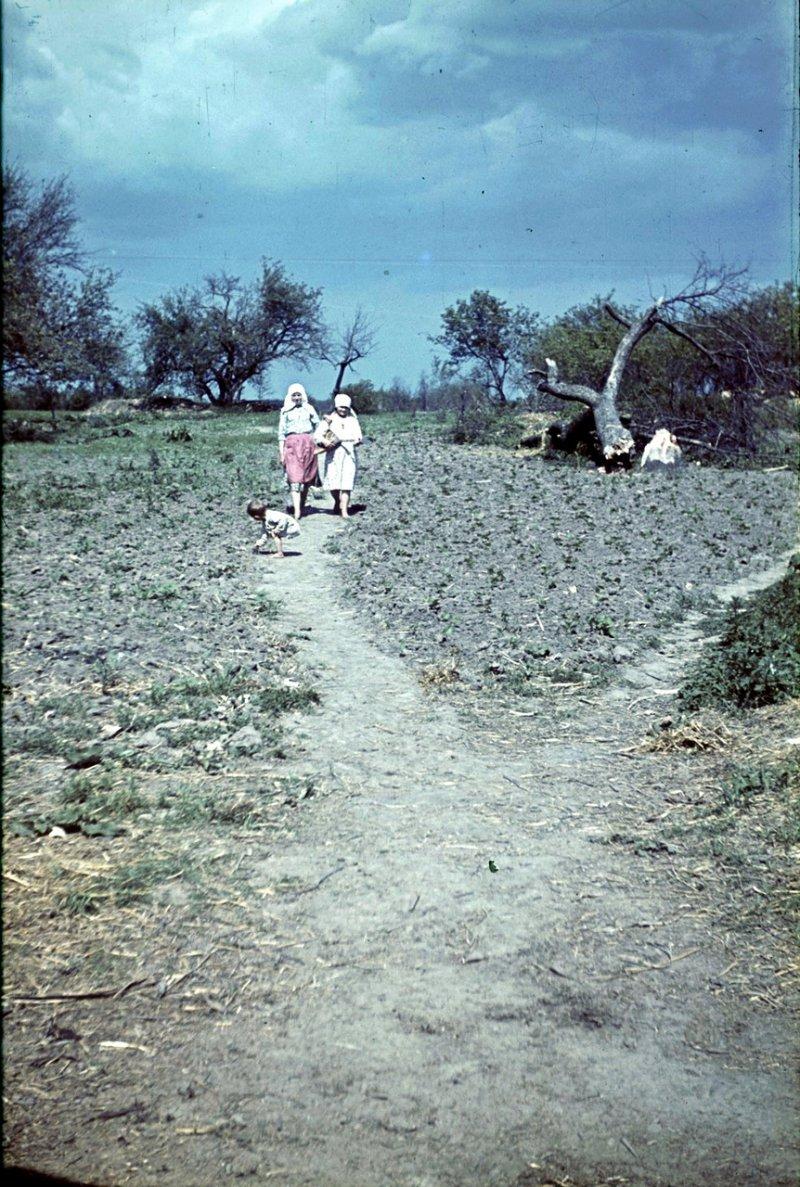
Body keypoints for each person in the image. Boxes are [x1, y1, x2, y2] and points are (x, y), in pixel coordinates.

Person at [316, 392, 363, 518]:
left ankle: (344, 511)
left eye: (346, 408)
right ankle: (337, 500)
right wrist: (325, 441)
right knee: (334, 481)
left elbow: (358, 435)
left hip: (348, 453)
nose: (343, 410)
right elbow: (318, 435)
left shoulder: (353, 420)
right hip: (333, 453)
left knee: (347, 482)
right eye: (341, 407)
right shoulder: (329, 419)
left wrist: (357, 440)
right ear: (336, 407)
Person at [278, 383, 320, 518]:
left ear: (303, 395)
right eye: (294, 395)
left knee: (307, 478)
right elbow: (281, 433)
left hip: (308, 444)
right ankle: (297, 512)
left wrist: (315, 439)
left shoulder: (309, 409)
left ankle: (301, 505)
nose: (296, 398)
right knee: (294, 478)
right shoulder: (285, 411)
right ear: (290, 397)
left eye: (299, 395)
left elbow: (318, 425)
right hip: (291, 445)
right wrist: (281, 453)